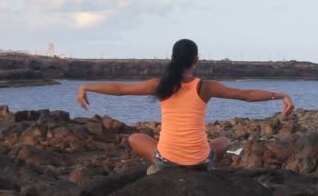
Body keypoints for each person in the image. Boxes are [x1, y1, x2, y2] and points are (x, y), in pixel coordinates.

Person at [76, 39, 295, 172]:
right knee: (224, 141)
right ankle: (203, 167)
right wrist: (281, 95)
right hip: (200, 164)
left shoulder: (160, 85)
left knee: (134, 138)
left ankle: (159, 169)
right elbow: (245, 95)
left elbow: (120, 89)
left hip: (167, 162)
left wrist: (87, 86)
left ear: (173, 59)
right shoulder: (205, 87)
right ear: (196, 60)